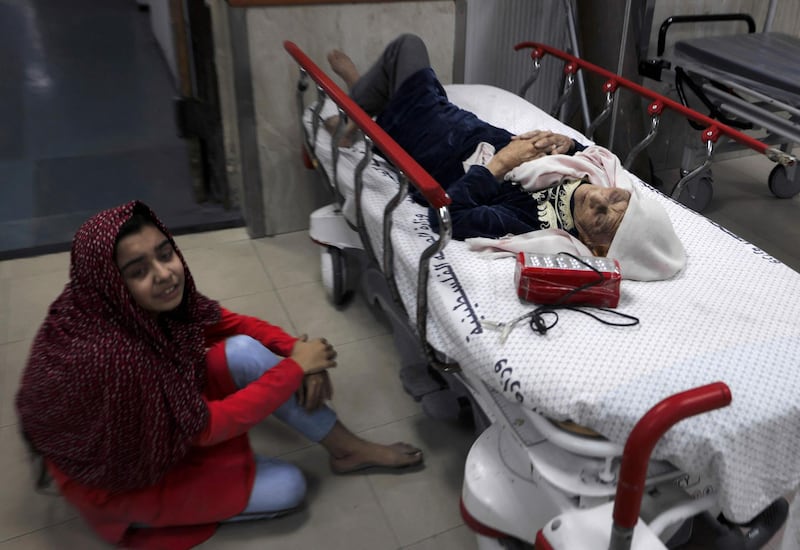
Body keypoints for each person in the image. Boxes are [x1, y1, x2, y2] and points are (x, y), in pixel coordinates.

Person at [15, 201, 423, 549]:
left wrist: (292, 349)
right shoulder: (115, 357)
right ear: (112, 283)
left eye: (165, 252)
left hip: (158, 413)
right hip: (122, 472)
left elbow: (224, 321)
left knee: (245, 349)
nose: (165, 274)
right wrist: (296, 369)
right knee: (289, 487)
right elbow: (206, 428)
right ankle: (142, 516)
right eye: (138, 270)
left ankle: (347, 448)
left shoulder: (104, 298)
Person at [326, 35, 686, 281]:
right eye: (617, 198)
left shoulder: (532, 223)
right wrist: (563, 142)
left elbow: (450, 218)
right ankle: (368, 103)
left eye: (602, 217)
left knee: (407, 46)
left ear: (597, 247)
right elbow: (583, 152)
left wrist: (502, 163)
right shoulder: (594, 175)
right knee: (412, 85)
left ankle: (360, 108)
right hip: (461, 124)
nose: (599, 197)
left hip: (435, 146)